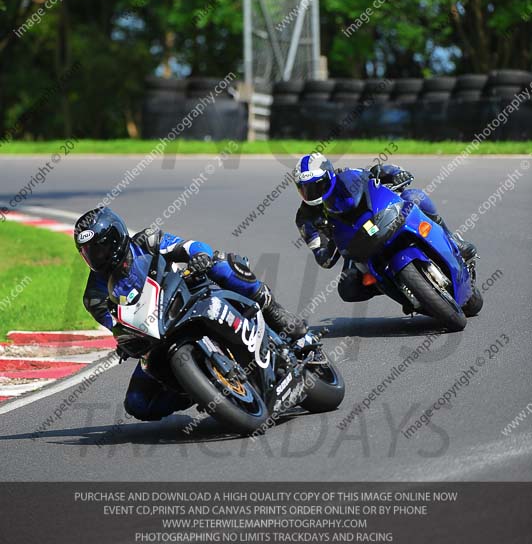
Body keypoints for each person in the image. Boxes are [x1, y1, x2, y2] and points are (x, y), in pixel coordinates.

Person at [74, 207, 306, 421]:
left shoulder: (147, 241)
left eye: (101, 248)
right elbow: (118, 327)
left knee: (220, 264)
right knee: (137, 404)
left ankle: (274, 311)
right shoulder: (94, 296)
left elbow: (188, 246)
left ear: (116, 238)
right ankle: (197, 388)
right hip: (156, 335)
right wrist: (126, 342)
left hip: (190, 295)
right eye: (88, 253)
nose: (97, 257)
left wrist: (199, 257)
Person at [294, 153, 476, 304]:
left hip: (379, 218)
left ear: (329, 176)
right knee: (348, 288)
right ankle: (392, 286)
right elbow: (323, 258)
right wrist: (328, 241)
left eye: (317, 185)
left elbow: (375, 173)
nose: (311, 193)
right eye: (305, 189)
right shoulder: (305, 219)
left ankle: (453, 240)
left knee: (414, 196)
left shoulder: (349, 177)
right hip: (354, 244)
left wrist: (396, 173)